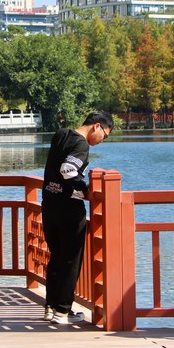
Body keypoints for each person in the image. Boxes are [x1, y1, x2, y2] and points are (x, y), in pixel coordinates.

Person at [40, 110, 114, 325]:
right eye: (104, 136)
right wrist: (84, 191)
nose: (101, 141)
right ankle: (62, 312)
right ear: (97, 126)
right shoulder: (81, 144)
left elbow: (57, 168)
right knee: (71, 260)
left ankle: (51, 306)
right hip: (69, 209)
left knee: (56, 257)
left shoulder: (61, 134)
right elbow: (68, 170)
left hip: (50, 204)